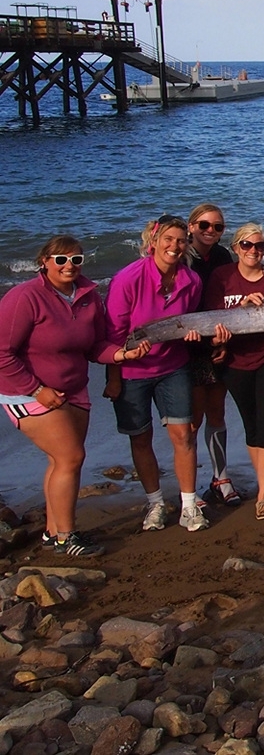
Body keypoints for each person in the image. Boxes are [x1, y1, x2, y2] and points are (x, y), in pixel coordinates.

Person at [0, 237, 149, 557]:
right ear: (44, 262)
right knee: (70, 457)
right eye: (61, 260)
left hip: (74, 389)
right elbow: (3, 354)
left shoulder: (88, 297)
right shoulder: (24, 297)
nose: (69, 266)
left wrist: (123, 354)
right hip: (25, 391)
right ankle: (68, 537)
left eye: (76, 260)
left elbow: (96, 347)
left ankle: (53, 532)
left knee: (61, 460)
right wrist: (37, 389)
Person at [104, 215, 214, 533]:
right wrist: (113, 378)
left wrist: (192, 336)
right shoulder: (127, 279)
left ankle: (190, 506)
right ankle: (155, 504)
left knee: (183, 435)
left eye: (180, 240)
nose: (174, 246)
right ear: (152, 241)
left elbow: (186, 323)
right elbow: (114, 333)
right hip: (131, 370)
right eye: (168, 239)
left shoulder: (191, 282)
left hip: (173, 366)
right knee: (141, 439)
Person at [204, 223, 264, 521]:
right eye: (247, 245)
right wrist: (239, 313)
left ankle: (262, 496)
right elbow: (211, 319)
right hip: (235, 362)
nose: (253, 251)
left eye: (259, 246)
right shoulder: (222, 277)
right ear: (236, 248)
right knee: (252, 425)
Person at [185, 203, 240, 507]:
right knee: (192, 418)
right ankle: (188, 487)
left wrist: (222, 342)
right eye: (204, 225)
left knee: (217, 412)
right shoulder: (181, 257)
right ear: (191, 226)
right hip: (187, 344)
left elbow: (226, 301)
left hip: (217, 340)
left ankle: (221, 478)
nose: (210, 231)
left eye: (218, 227)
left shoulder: (221, 257)